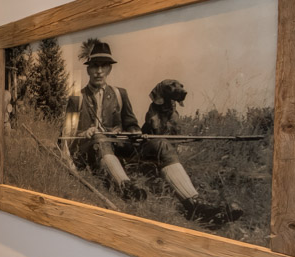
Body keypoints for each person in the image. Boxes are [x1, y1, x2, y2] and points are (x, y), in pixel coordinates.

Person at [64, 39, 239, 227]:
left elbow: (131, 124)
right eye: (95, 66)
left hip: (119, 150)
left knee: (161, 144)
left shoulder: (120, 94)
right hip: (92, 152)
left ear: (109, 69)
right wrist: (85, 132)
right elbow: (66, 136)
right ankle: (126, 187)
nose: (99, 71)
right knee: (100, 138)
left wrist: (135, 132)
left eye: (104, 66)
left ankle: (194, 204)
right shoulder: (76, 97)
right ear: (88, 69)